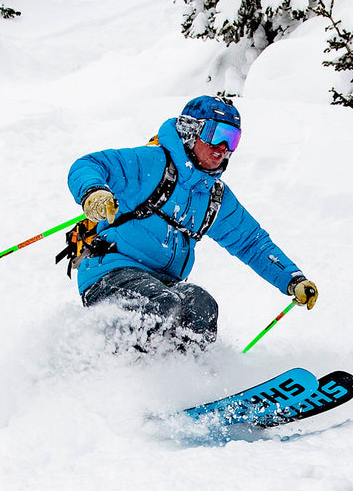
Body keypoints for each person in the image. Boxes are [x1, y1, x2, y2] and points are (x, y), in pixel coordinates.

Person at [61, 95, 317, 351]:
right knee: (161, 303)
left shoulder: (214, 197)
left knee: (201, 304)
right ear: (190, 131)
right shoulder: (153, 163)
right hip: (111, 273)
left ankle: (188, 378)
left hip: (163, 282)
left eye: (233, 139)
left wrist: (292, 279)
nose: (223, 147)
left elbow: (251, 243)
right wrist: (93, 191)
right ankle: (128, 370)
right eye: (216, 134)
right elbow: (90, 164)